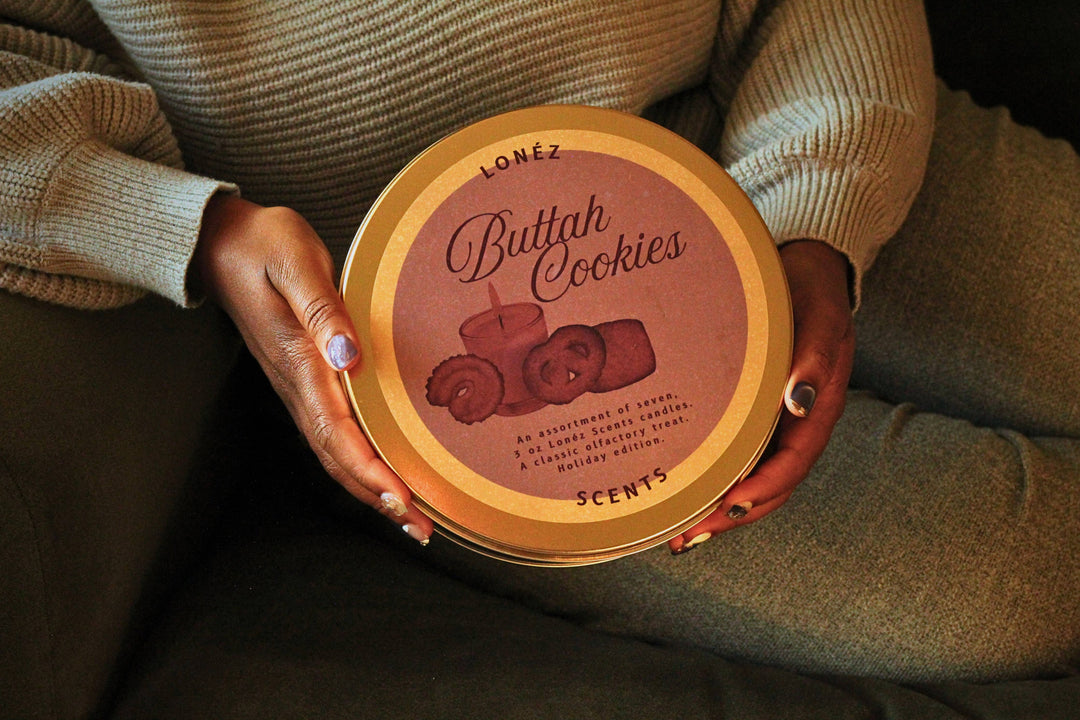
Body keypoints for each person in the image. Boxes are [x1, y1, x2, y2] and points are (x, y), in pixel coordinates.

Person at [1, 0, 1075, 687]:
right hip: (426, 369)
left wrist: (822, 214)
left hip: (797, 112)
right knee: (1035, 579)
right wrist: (197, 231)